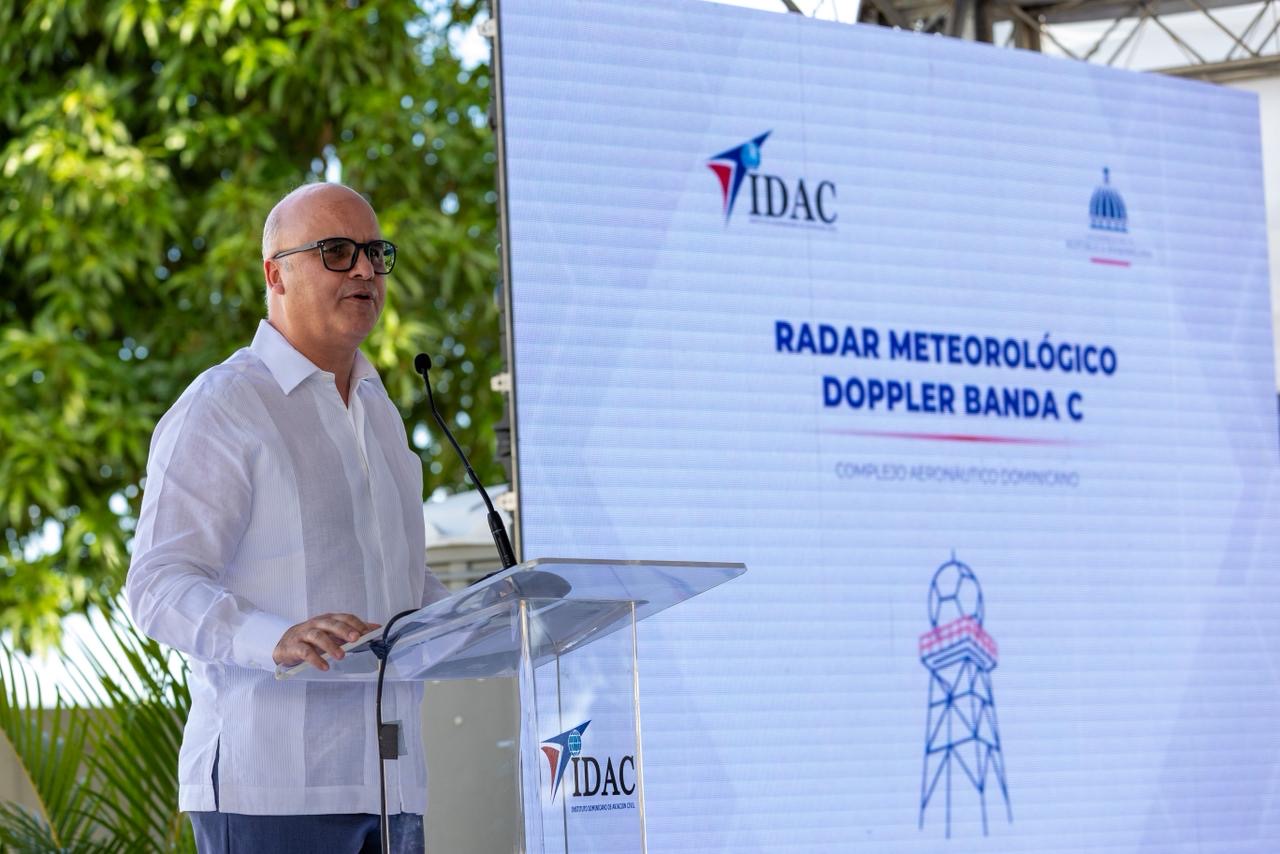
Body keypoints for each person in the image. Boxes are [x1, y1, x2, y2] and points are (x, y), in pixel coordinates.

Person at [126, 183, 449, 853]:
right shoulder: (225, 405)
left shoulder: (382, 413)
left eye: (374, 253)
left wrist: (492, 616)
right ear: (275, 275)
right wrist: (275, 638)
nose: (364, 270)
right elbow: (157, 585)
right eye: (336, 251)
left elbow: (403, 587)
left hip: (392, 791)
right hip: (271, 792)